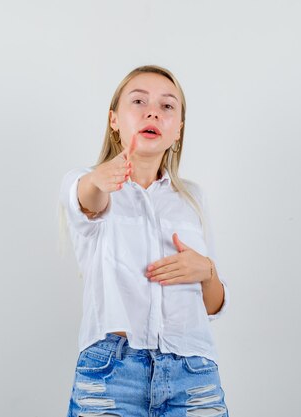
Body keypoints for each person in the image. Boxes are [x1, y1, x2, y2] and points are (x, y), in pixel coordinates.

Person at [58, 65, 229, 417]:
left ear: (178, 130)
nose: (153, 111)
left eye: (168, 106)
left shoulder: (191, 199)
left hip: (193, 374)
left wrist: (207, 271)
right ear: (114, 120)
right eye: (139, 101)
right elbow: (88, 200)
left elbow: (212, 306)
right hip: (111, 374)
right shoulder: (89, 183)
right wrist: (98, 180)